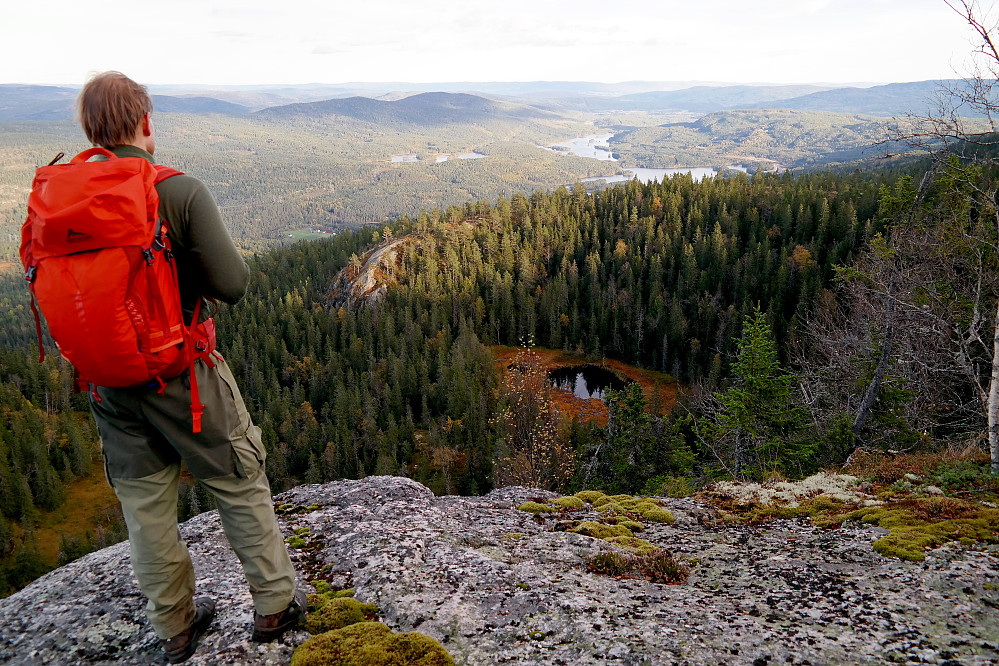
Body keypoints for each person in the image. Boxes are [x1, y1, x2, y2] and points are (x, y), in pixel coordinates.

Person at [75, 71, 306, 664]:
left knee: (146, 506)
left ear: (88, 129)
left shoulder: (66, 197)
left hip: (108, 383)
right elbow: (232, 284)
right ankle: (274, 603)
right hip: (182, 375)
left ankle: (175, 628)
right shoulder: (177, 192)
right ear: (146, 122)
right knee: (237, 477)